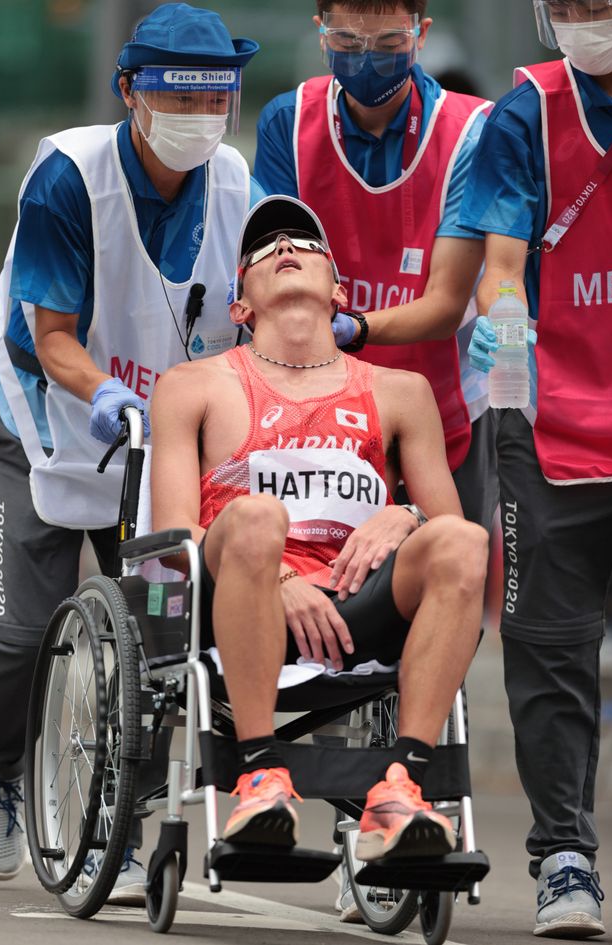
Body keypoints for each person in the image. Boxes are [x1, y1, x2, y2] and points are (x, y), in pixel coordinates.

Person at [0, 3, 261, 896]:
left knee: (156, 644)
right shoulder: (70, 174)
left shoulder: (233, 183)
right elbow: (52, 331)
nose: (198, 112)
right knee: (18, 634)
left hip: (157, 447)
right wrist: (100, 389)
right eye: (177, 93)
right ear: (129, 91)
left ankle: (122, 823)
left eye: (214, 93)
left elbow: (253, 303)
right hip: (38, 420)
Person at [150, 193, 489, 864]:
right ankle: (258, 772)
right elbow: (174, 537)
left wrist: (406, 513)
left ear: (338, 291)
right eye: (262, 250)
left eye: (303, 245)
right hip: (240, 601)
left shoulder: (401, 393)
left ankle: (402, 785)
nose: (283, 250)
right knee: (254, 515)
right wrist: (276, 579)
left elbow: (447, 528)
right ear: (239, 306)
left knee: (465, 539)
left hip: (356, 607)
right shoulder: (193, 385)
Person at [461, 0, 612, 938]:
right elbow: (502, 260)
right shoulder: (524, 116)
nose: (589, 20)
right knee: (551, 653)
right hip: (552, 419)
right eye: (572, 7)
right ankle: (565, 858)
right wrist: (506, 321)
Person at [254, 0, 498, 535]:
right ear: (320, 32)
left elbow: (444, 305)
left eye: (388, 45)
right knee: (328, 587)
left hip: (445, 403)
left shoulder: (470, 131)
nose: (366, 61)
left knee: (448, 567)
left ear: (421, 32)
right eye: (346, 43)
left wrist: (354, 327)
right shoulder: (288, 122)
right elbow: (274, 271)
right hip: (319, 411)